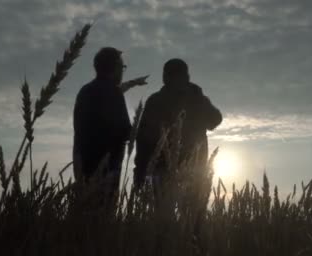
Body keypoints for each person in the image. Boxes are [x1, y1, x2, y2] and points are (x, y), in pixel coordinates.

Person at [134, 58, 222, 197]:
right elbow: (215, 120)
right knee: (191, 214)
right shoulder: (196, 99)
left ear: (166, 77)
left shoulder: (156, 100)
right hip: (193, 169)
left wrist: (140, 171)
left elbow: (143, 140)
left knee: (162, 213)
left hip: (163, 169)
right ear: (186, 77)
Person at [72, 47, 147, 205]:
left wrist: (133, 83)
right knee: (102, 217)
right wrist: (149, 133)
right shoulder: (113, 93)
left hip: (83, 164)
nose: (123, 71)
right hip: (106, 170)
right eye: (122, 67)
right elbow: (124, 130)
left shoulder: (86, 91)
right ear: (114, 68)